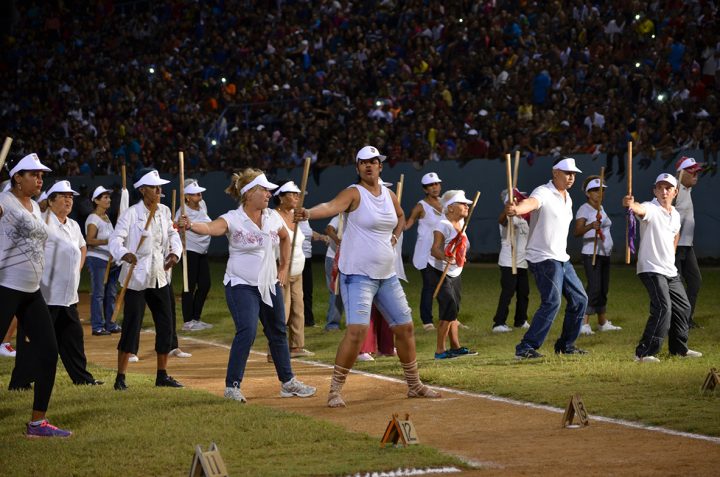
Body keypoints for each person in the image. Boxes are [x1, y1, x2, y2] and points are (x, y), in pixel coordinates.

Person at [295, 145, 440, 407]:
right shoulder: (354, 193)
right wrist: (307, 213)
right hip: (357, 275)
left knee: (405, 328)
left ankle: (414, 385)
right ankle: (335, 390)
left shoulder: (388, 194)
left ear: (380, 166)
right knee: (357, 332)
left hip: (387, 275)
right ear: (358, 168)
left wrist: (396, 235)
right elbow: (330, 206)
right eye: (363, 163)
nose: (369, 166)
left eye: (373, 162)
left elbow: (400, 216)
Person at [178, 168, 316, 403]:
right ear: (249, 193)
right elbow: (211, 228)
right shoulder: (234, 218)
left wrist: (283, 267)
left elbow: (285, 238)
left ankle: (288, 382)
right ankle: (232, 386)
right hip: (241, 285)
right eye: (264, 190)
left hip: (269, 284)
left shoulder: (272, 216)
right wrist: (190, 225)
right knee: (248, 331)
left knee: (278, 332)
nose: (269, 194)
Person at [0, 153, 71, 437]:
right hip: (6, 287)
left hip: (31, 292)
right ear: (18, 177)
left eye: (42, 175)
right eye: (34, 174)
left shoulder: (33, 207)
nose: (40, 179)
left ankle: (38, 423)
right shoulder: (5, 201)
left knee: (48, 352)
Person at [10, 180, 102, 388]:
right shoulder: (42, 222)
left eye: (71, 197)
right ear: (50, 201)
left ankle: (82, 379)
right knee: (34, 342)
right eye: (63, 196)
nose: (69, 200)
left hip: (69, 297)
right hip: (45, 296)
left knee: (73, 341)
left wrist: (76, 269)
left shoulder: (73, 225)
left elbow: (83, 247)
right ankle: (20, 382)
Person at [505, 157, 588, 359]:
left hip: (561, 257)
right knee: (552, 301)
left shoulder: (568, 198)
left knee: (580, 299)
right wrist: (516, 209)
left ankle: (566, 345)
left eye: (574, 174)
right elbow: (531, 203)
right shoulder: (543, 191)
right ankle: (525, 347)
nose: (571, 177)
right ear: (555, 173)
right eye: (567, 173)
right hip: (542, 257)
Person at [109, 169, 184, 391]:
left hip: (159, 276)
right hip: (136, 278)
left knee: (166, 324)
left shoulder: (164, 211)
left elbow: (173, 235)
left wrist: (175, 254)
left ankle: (162, 375)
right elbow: (115, 239)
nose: (159, 190)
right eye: (154, 187)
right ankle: (120, 377)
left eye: (160, 186)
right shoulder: (131, 214)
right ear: (142, 190)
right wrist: (124, 254)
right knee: (132, 326)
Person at [623, 173, 702, 362]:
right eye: (660, 187)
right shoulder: (651, 208)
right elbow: (639, 209)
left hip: (669, 270)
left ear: (675, 192)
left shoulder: (675, 214)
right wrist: (630, 205)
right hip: (651, 268)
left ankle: (679, 349)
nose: (664, 191)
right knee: (663, 308)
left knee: (683, 307)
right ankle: (644, 353)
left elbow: (676, 235)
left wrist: (670, 254)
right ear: (655, 190)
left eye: (668, 188)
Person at [427, 190, 478, 359]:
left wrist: (460, 257)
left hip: (455, 272)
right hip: (439, 271)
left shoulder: (462, 222)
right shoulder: (442, 225)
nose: (466, 206)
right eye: (462, 204)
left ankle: (455, 347)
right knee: (448, 307)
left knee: (454, 309)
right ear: (450, 208)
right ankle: (440, 351)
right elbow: (434, 249)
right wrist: (446, 256)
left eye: (467, 204)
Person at [574, 176, 621, 335]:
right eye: (595, 190)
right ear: (588, 193)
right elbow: (577, 232)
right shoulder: (584, 209)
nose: (599, 193)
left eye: (602, 190)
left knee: (603, 288)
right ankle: (583, 323)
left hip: (603, 253)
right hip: (591, 254)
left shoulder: (601, 209)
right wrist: (591, 226)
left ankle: (602, 322)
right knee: (593, 288)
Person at [273, 180, 314, 358]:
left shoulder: (296, 216)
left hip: (298, 269)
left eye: (298, 194)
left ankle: (296, 346)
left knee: (298, 308)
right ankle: (275, 349)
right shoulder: (273, 216)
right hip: (281, 268)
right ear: (281, 197)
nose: (297, 197)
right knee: (282, 310)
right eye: (292, 194)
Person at [405, 172, 443, 331]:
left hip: (441, 252)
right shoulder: (420, 206)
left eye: (436, 184)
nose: (434, 187)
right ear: (425, 189)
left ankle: (449, 318)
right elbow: (407, 224)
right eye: (430, 185)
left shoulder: (445, 203)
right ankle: (427, 321)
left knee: (446, 287)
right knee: (430, 285)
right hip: (426, 253)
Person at [176, 179, 213, 331]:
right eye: (196, 194)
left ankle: (196, 318)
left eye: (200, 193)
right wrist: (178, 224)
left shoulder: (202, 205)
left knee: (205, 285)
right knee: (188, 286)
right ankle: (188, 322)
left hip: (202, 251)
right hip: (189, 251)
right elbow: (174, 227)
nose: (200, 196)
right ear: (187, 197)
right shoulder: (182, 211)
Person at [85, 185, 122, 336]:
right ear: (96, 201)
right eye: (105, 197)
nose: (109, 200)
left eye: (109, 197)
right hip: (98, 260)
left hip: (111, 260)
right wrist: (108, 242)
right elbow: (89, 240)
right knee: (99, 294)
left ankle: (110, 323)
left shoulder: (106, 217)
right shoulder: (93, 218)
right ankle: (97, 326)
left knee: (111, 294)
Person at [492, 189, 530, 333]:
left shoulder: (524, 219)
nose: (520, 200)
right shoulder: (507, 217)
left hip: (522, 262)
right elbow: (501, 220)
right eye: (516, 198)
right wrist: (508, 210)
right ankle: (499, 323)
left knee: (523, 292)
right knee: (508, 292)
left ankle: (521, 320)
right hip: (509, 262)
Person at [674, 157, 703, 328]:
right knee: (674, 285)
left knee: (695, 281)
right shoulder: (675, 190)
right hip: (674, 247)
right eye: (692, 171)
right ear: (682, 173)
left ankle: (686, 320)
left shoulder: (686, 189)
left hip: (687, 246)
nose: (696, 175)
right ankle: (675, 320)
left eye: (697, 171)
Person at [323, 214, 345, 331]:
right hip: (333, 259)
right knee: (335, 291)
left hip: (350, 260)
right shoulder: (339, 218)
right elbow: (329, 229)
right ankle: (332, 324)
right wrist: (338, 241)